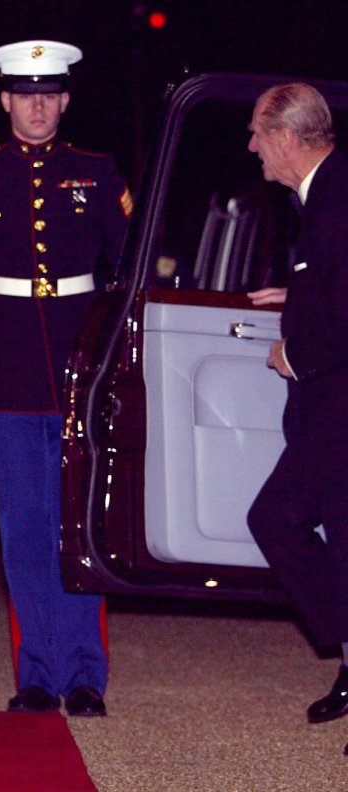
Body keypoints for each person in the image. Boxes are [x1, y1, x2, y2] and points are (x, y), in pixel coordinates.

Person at [0, 40, 131, 717]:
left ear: (67, 98)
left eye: (50, 92)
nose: (39, 104)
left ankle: (86, 675)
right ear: (5, 100)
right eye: (26, 93)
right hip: (6, 368)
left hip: (82, 363)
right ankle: (37, 674)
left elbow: (126, 270)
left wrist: (115, 360)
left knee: (78, 525)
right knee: (22, 525)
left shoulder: (99, 172)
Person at [241, 83, 348, 735]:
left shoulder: (337, 199)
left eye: (257, 133)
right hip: (332, 410)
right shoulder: (327, 195)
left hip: (337, 408)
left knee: (275, 517)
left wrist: (296, 352)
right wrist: (300, 294)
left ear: (286, 137)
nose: (252, 147)